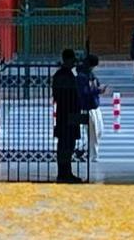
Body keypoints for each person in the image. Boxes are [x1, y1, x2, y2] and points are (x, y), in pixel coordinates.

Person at [52, 46, 82, 183]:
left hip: (67, 113)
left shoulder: (65, 74)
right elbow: (63, 95)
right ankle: (64, 173)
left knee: (68, 144)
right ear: (67, 60)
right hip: (66, 114)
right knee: (65, 145)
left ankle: (66, 172)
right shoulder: (63, 75)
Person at [77, 53, 104, 176]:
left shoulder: (90, 75)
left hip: (94, 106)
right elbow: (84, 92)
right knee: (92, 132)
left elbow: (94, 85)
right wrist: (97, 90)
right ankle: (90, 154)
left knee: (99, 130)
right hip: (88, 107)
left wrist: (97, 88)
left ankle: (90, 152)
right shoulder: (82, 77)